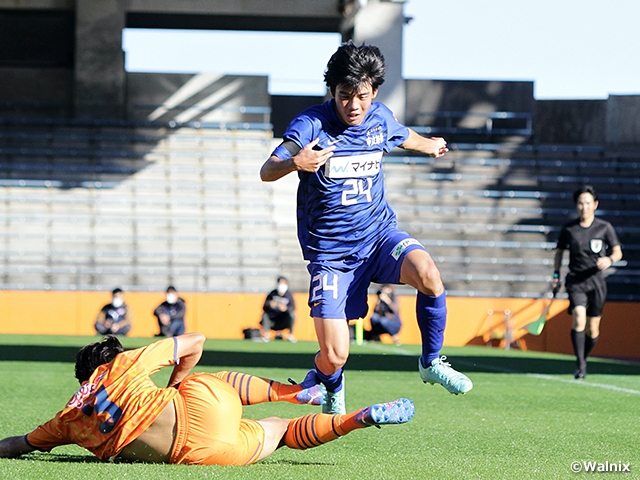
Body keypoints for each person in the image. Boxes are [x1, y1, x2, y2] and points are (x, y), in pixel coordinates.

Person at [259, 42, 472, 414]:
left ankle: (431, 362)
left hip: (378, 237)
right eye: (344, 96)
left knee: (429, 275)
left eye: (361, 96)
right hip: (332, 256)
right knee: (335, 354)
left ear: (374, 92)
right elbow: (267, 170)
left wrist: (432, 145)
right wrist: (298, 161)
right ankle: (329, 383)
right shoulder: (311, 125)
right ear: (333, 92)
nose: (353, 106)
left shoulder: (380, 119)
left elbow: (405, 136)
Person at [0, 333, 415, 465]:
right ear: (108, 359)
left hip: (196, 452)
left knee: (282, 433)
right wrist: (179, 383)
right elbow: (194, 341)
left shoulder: (67, 417)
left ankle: (358, 417)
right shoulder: (122, 363)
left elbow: (18, 445)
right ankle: (296, 391)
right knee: (208, 380)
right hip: (198, 405)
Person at [553, 185, 623, 380]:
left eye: (588, 203)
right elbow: (559, 253)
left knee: (593, 329)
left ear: (595, 205)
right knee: (578, 318)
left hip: (597, 283)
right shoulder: (569, 228)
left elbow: (618, 251)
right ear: (576, 206)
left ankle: (583, 357)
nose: (584, 207)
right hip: (576, 281)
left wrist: (609, 260)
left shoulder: (604, 227)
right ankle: (581, 364)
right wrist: (556, 275)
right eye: (581, 203)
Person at [261, 276, 296, 342]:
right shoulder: (272, 294)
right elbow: (264, 306)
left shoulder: (289, 295)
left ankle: (290, 335)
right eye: (280, 283)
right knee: (265, 315)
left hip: (284, 320)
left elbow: (293, 307)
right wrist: (270, 305)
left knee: (292, 315)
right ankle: (266, 334)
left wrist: (285, 309)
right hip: (272, 319)